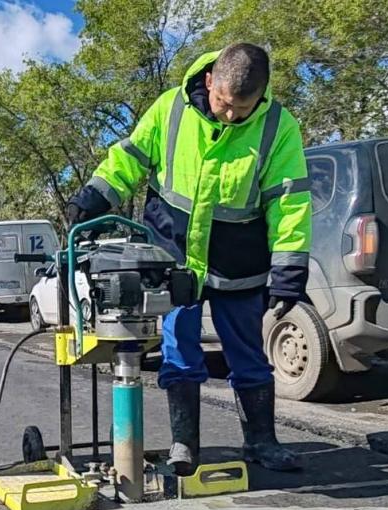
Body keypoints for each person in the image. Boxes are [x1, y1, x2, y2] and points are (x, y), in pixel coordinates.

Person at [67, 44, 312, 475]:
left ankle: (262, 441)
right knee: (180, 351)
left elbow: (289, 202)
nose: (232, 116)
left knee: (249, 355)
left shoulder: (279, 126)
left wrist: (289, 269)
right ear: (210, 81)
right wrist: (97, 194)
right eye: (224, 103)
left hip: (240, 260)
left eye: (243, 108)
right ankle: (185, 444)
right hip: (174, 257)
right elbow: (129, 157)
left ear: (262, 94)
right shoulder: (169, 108)